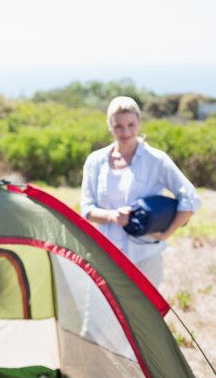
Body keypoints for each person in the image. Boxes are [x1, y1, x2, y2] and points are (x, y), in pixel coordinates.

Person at [80, 96, 201, 287]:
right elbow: (86, 208)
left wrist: (165, 234)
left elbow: (191, 198)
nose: (125, 131)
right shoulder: (95, 161)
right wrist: (113, 216)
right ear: (109, 125)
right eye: (118, 126)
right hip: (106, 256)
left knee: (141, 317)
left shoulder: (156, 160)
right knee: (101, 315)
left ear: (139, 123)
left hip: (144, 257)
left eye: (131, 124)